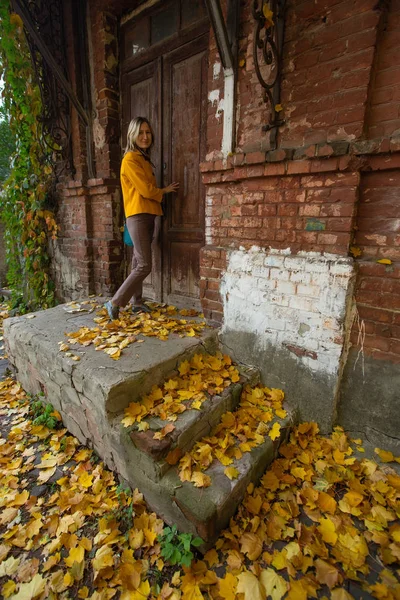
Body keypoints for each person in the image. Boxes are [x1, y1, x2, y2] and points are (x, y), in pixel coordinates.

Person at [105, 117, 178, 320]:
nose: (145, 136)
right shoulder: (130, 159)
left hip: (148, 214)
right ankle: (115, 302)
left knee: (137, 260)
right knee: (145, 265)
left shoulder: (143, 159)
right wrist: (163, 190)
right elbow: (146, 190)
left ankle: (136, 302)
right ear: (132, 135)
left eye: (148, 132)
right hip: (137, 215)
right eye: (141, 133)